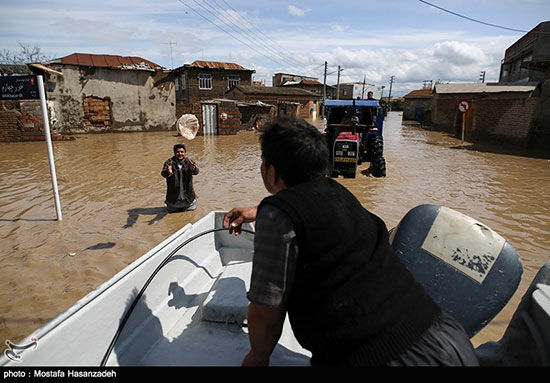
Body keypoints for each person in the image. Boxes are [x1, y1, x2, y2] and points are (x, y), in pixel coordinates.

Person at [223, 116, 478, 367]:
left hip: (383, 357)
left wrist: (258, 356)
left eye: (262, 161)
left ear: (272, 170)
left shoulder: (277, 214)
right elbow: (310, 207)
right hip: (446, 338)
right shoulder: (338, 192)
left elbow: (266, 311)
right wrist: (259, 210)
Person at [161, 143, 199, 213]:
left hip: (188, 200)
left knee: (189, 218)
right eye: (177, 152)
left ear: (185, 153)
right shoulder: (169, 162)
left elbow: (196, 172)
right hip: (173, 202)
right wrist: (168, 172)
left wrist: (192, 169)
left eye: (182, 152)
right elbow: (163, 174)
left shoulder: (189, 162)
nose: (180, 154)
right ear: (174, 153)